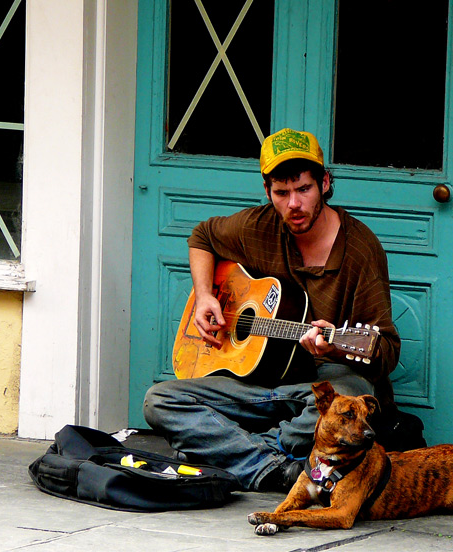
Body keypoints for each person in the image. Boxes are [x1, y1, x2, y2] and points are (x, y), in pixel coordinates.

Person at [143, 128, 401, 492]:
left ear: (325, 183)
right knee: (161, 400)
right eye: (281, 193)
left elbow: (386, 350)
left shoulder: (361, 250)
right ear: (268, 193)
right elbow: (202, 236)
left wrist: (337, 346)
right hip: (258, 388)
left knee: (348, 395)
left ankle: (240, 453)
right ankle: (275, 465)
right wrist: (204, 296)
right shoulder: (259, 227)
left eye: (303, 189)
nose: (293, 204)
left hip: (316, 394)